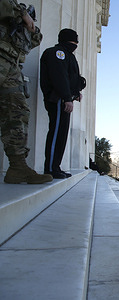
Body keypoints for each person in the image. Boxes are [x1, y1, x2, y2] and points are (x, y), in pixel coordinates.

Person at [0, 0, 52, 184]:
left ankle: (17, 167)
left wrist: (29, 24)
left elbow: (35, 40)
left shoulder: (21, 30)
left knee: (17, 115)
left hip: (10, 68)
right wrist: (21, 12)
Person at [40, 28, 86, 179]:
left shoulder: (68, 55)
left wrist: (76, 92)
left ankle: (55, 167)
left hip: (64, 99)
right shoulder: (57, 53)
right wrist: (66, 97)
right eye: (74, 40)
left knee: (61, 134)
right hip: (58, 99)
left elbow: (71, 77)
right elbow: (59, 77)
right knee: (56, 133)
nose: (76, 44)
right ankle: (51, 168)